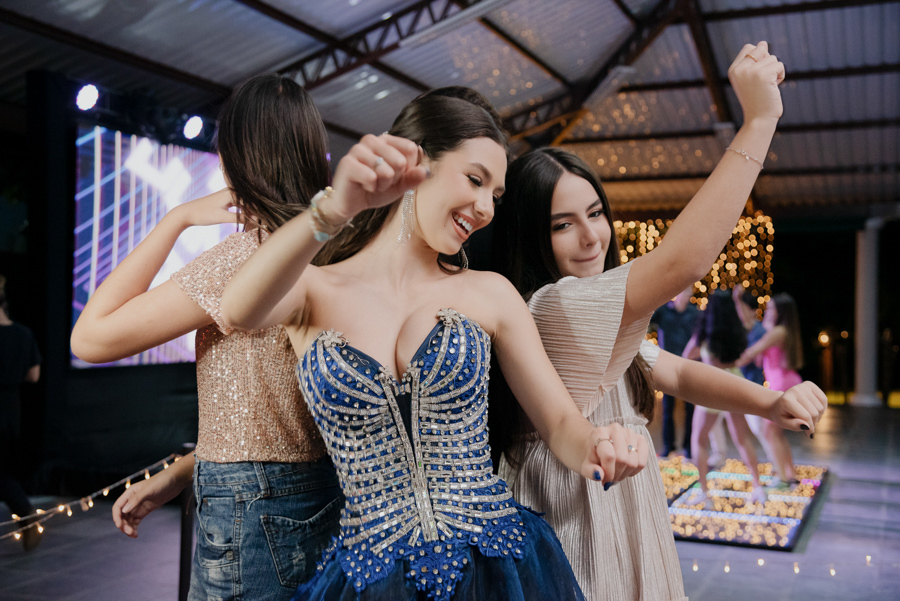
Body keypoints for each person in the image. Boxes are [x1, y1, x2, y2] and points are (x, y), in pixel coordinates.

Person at [219, 92, 651, 601]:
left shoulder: (489, 293)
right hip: (369, 578)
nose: (486, 208)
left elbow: (560, 424)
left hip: (496, 569)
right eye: (475, 180)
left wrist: (596, 445)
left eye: (496, 194)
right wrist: (334, 209)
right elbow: (237, 310)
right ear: (416, 162)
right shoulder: (313, 290)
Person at [491, 43, 826, 600]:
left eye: (595, 213)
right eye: (562, 225)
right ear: (528, 236)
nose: (592, 236)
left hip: (619, 509)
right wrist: (759, 120)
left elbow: (675, 371)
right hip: (572, 517)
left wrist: (770, 402)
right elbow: (681, 263)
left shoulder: (587, 314)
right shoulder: (547, 307)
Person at [70, 74, 342, 601]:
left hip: (251, 513)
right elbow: (280, 424)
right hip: (322, 501)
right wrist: (180, 474)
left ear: (235, 159)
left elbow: (91, 338)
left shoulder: (244, 259)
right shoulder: (335, 250)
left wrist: (176, 219)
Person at [682, 291, 767, 508]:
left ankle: (704, 492)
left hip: (712, 386)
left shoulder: (705, 333)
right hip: (734, 383)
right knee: (742, 439)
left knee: (699, 440)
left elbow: (686, 357)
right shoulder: (736, 330)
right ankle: (758, 487)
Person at [737, 292, 805, 487]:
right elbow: (760, 359)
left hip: (781, 385)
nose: (768, 311)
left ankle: (782, 478)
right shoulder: (781, 331)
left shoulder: (778, 332)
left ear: (781, 312)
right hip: (785, 382)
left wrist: (727, 363)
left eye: (772, 308)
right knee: (776, 433)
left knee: (769, 432)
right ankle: (789, 474)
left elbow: (752, 352)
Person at [0, 274, 42, 551]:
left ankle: (27, 516)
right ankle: (27, 518)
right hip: (10, 409)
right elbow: (33, 375)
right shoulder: (23, 334)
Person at [650, 286, 700, 458]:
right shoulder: (663, 311)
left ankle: (688, 447)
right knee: (668, 408)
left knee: (690, 409)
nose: (687, 296)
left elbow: (699, 336)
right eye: (685, 293)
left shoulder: (694, 313)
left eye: (689, 293)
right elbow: (646, 321)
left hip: (688, 366)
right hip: (667, 365)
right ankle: (668, 446)